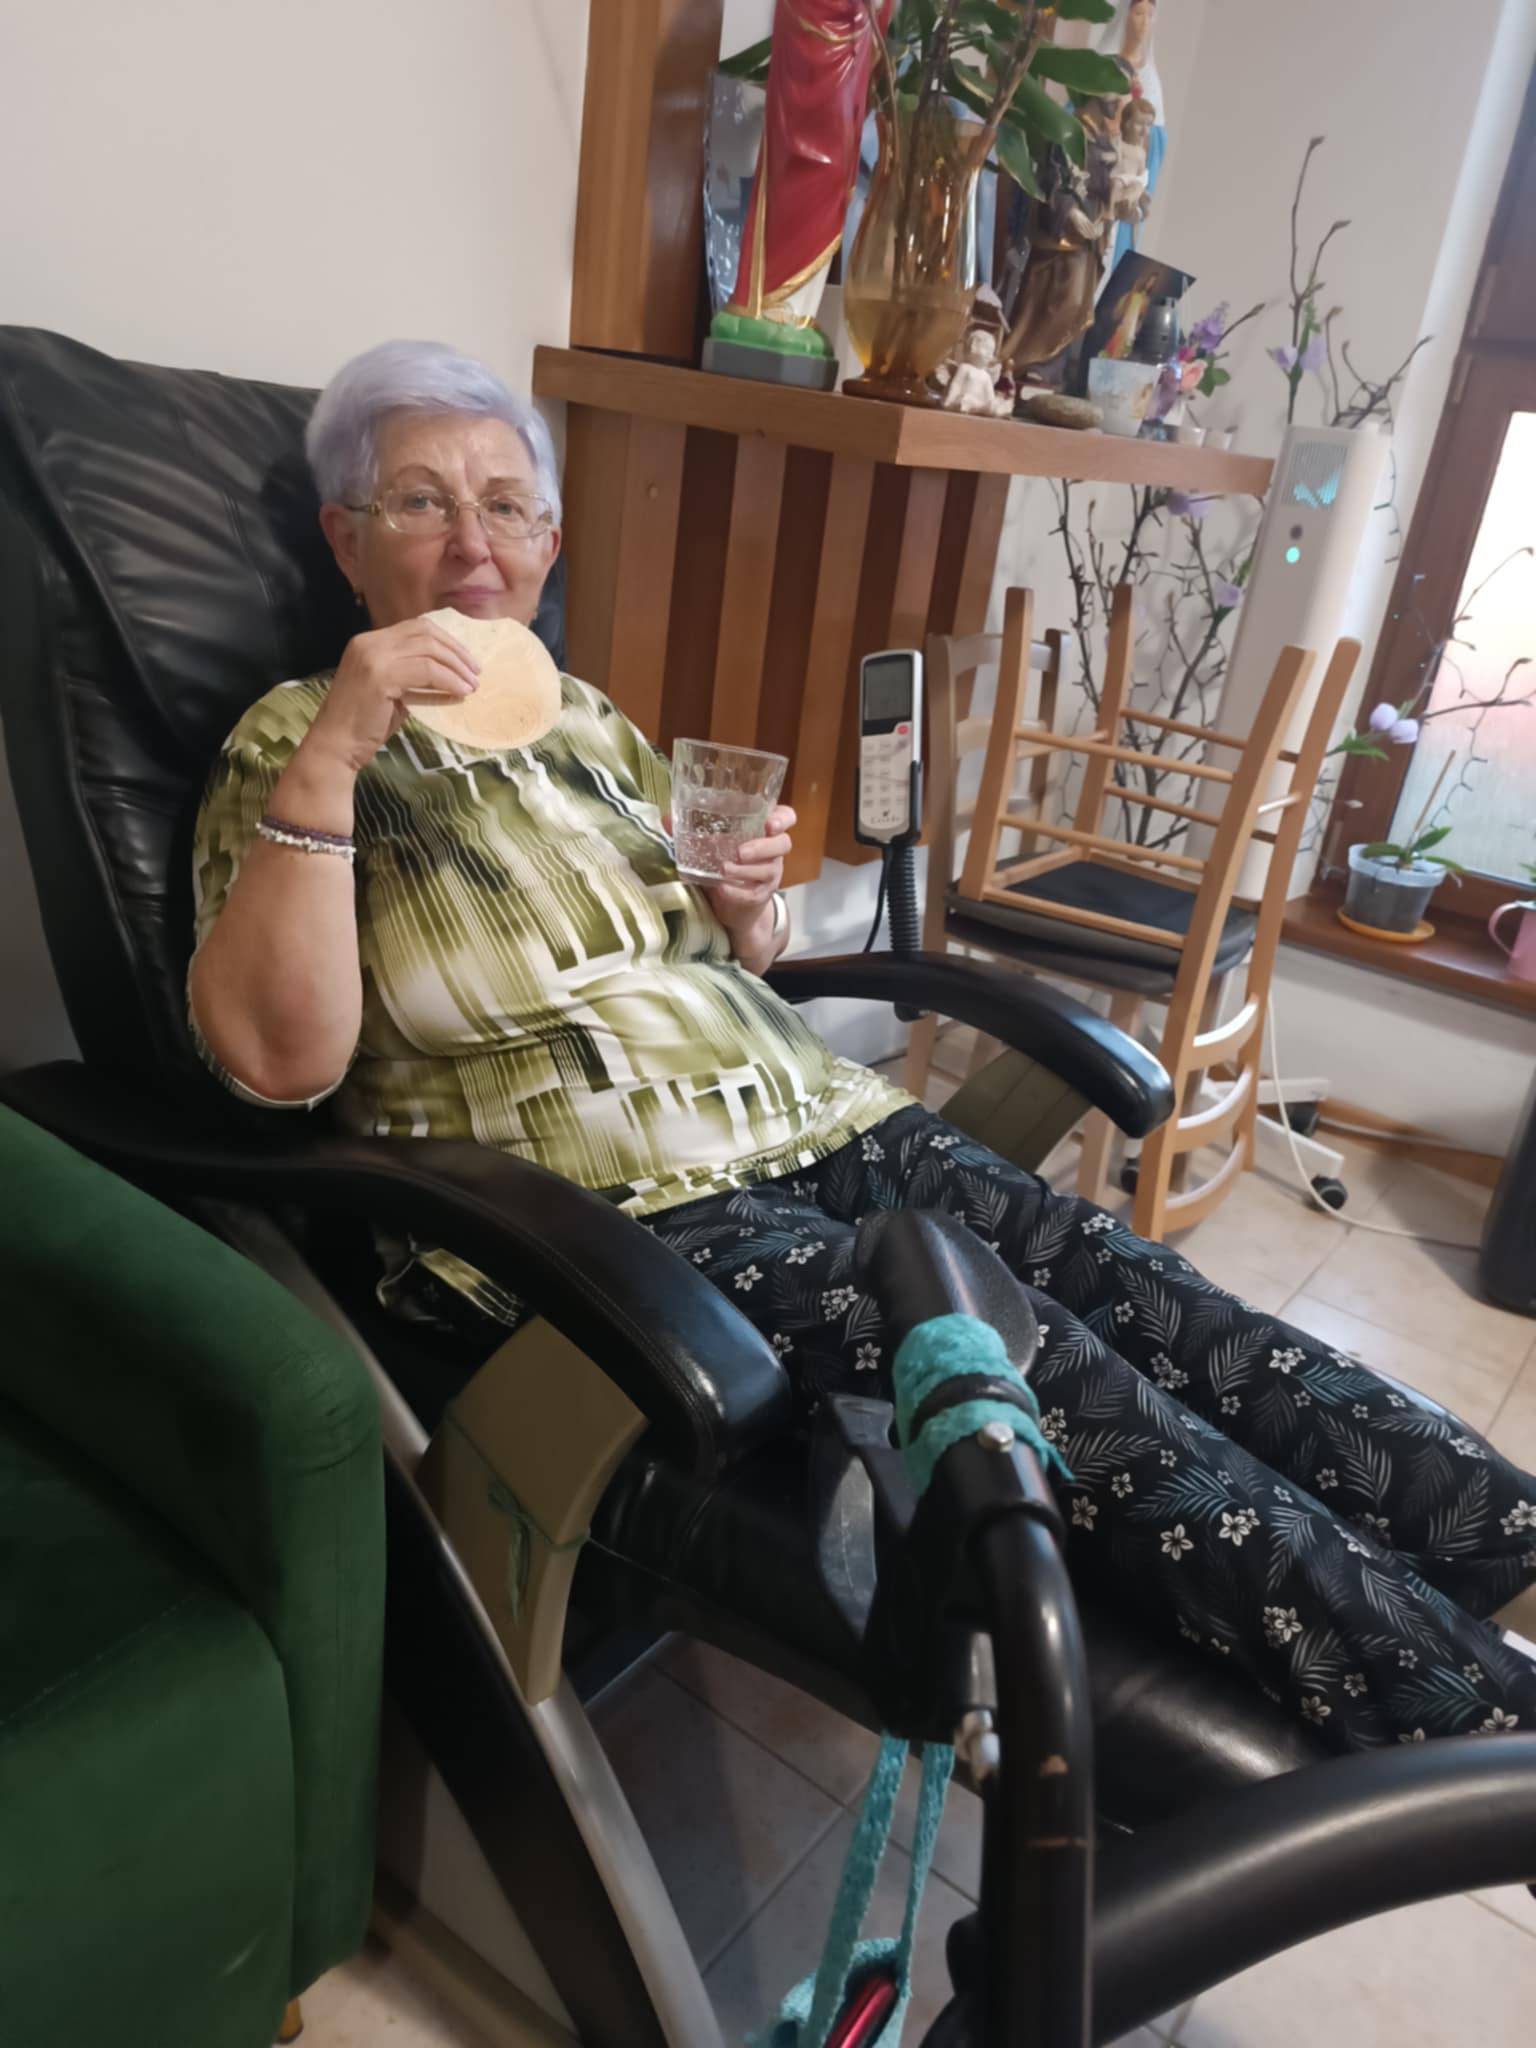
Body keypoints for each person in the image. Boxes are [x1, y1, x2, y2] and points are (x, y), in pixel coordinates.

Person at [190, 341, 1536, 1752]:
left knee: (1151, 1294)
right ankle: (1477, 1740)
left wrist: (745, 904)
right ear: (346, 540)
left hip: (818, 1115)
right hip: (610, 1209)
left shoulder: (583, 719)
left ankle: (1504, 1548)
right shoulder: (293, 741)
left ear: (550, 543)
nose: (475, 542)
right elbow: (280, 1066)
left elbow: (737, 956)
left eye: (508, 505)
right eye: (421, 501)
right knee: (1049, 1369)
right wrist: (336, 755)